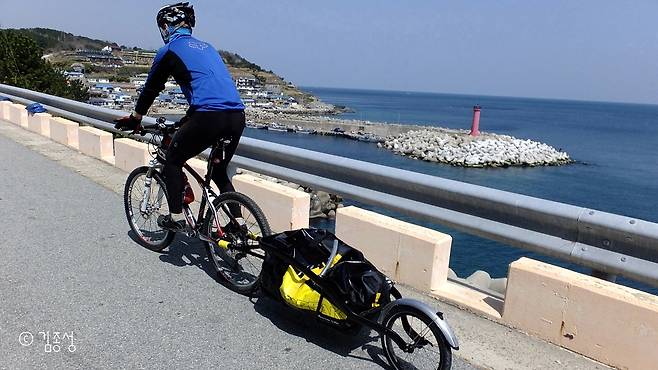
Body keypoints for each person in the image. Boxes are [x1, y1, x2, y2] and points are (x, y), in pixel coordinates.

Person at [114, 2, 245, 231]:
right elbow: (208, 89)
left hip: (208, 117)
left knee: (173, 161)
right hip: (236, 116)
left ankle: (176, 218)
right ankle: (239, 224)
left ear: (165, 27)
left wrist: (136, 118)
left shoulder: (169, 51)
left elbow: (151, 89)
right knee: (220, 170)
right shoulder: (208, 47)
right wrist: (188, 119)